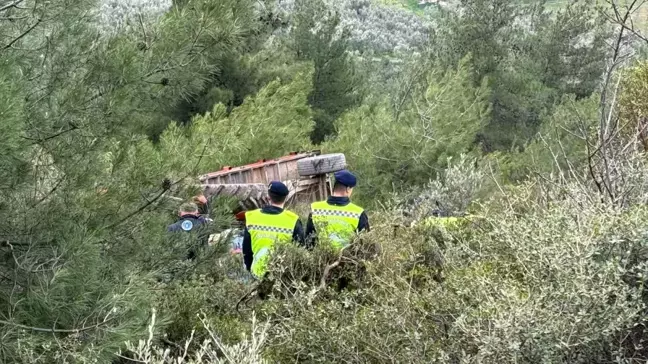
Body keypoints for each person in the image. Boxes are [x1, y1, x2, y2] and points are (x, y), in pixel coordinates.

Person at [242, 181, 304, 279]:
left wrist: (250, 269)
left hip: (257, 274)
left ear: (268, 197)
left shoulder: (252, 217)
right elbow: (301, 250)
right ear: (285, 198)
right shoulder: (293, 220)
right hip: (282, 277)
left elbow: (246, 249)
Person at [305, 170, 369, 249]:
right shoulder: (358, 213)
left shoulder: (315, 209)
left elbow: (309, 242)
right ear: (348, 189)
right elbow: (365, 245)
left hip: (321, 260)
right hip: (349, 260)